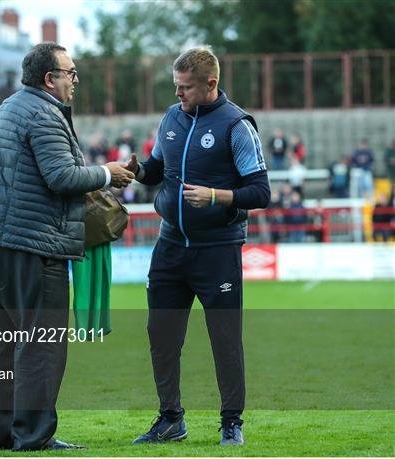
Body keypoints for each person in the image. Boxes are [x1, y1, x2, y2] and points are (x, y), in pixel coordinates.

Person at [0, 42, 134, 452]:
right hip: (31, 245)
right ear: (49, 79)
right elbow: (60, 176)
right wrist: (105, 173)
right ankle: (34, 436)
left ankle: (1, 433)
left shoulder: (9, 108)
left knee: (1, 345)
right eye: (70, 72)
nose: (75, 79)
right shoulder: (44, 113)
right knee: (41, 345)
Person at [126, 47, 270, 446]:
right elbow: (156, 171)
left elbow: (260, 191)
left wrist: (216, 196)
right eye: (175, 86)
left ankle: (231, 422)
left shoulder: (237, 125)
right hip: (170, 246)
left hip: (218, 251)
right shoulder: (171, 118)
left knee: (224, 338)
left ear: (211, 84)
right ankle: (171, 419)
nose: (178, 95)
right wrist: (134, 170)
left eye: (185, 87)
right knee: (161, 334)